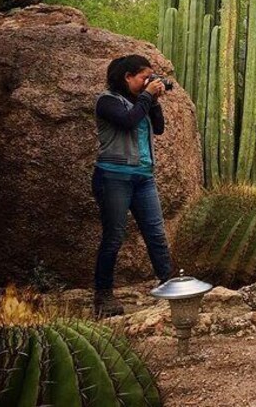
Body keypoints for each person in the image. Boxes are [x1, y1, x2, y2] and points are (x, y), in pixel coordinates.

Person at [92, 54, 173, 318]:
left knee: (156, 234)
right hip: (114, 177)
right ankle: (103, 295)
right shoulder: (106, 102)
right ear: (127, 77)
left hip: (143, 177)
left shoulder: (142, 103)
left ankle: (168, 283)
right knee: (114, 237)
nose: (148, 81)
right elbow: (127, 121)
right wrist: (147, 96)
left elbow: (158, 129)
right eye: (144, 77)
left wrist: (154, 101)